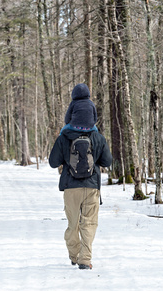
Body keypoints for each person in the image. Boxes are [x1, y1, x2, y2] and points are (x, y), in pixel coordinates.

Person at [49, 84, 112, 270]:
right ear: (92, 114)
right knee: (89, 223)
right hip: (92, 187)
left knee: (72, 224)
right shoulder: (97, 137)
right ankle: (85, 259)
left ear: (71, 113)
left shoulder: (64, 136)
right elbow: (107, 161)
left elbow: (53, 162)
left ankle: (74, 255)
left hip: (70, 187)